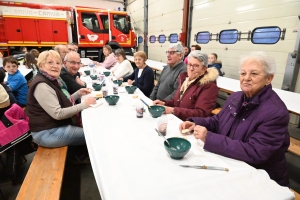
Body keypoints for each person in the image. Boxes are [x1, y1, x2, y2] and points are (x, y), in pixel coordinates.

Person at [180, 51, 290, 187]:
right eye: (243, 73)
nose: (246, 78)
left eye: (254, 74)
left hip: (261, 179)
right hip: (232, 164)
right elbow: (217, 121)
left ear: (269, 78)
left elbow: (255, 152)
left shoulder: (276, 112)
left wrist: (209, 138)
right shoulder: (236, 97)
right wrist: (195, 122)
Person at [26, 50, 96, 148]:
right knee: (93, 134)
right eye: (50, 62)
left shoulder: (52, 79)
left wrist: (78, 94)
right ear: (41, 65)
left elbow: (61, 99)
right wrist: (84, 105)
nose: (55, 66)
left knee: (91, 129)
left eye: (58, 63)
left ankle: (80, 156)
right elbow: (58, 113)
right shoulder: (42, 85)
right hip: (47, 132)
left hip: (53, 126)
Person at [153, 51, 218, 121]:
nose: (191, 68)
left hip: (189, 126)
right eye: (189, 64)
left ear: (204, 69)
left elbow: (201, 113)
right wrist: (164, 102)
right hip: (176, 120)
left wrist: (173, 110)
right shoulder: (184, 79)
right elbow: (176, 101)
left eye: (196, 66)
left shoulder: (209, 86)